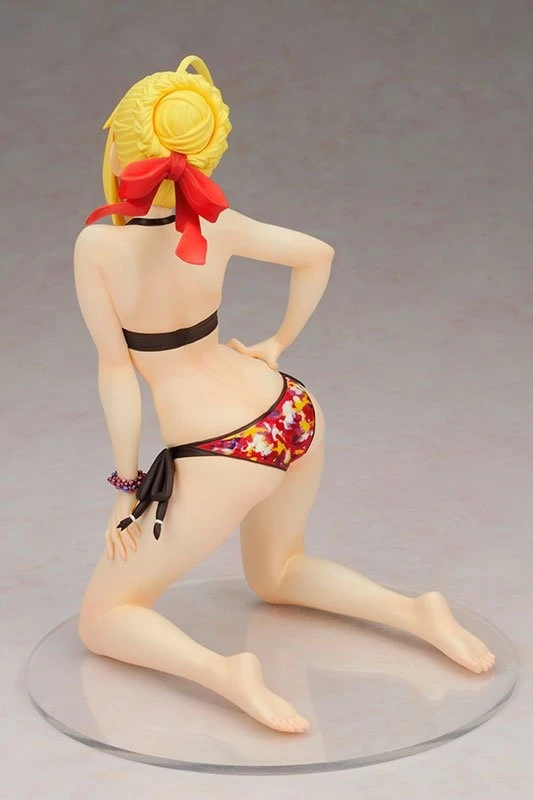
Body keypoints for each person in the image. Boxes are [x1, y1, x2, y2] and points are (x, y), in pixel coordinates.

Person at [74, 55, 495, 736]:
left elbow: (116, 373)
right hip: (291, 409)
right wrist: (276, 343)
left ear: (122, 146)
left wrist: (126, 489)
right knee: (277, 572)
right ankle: (414, 612)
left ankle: (226, 673)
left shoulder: (97, 247)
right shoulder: (215, 222)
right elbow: (316, 253)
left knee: (102, 618)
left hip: (224, 449)